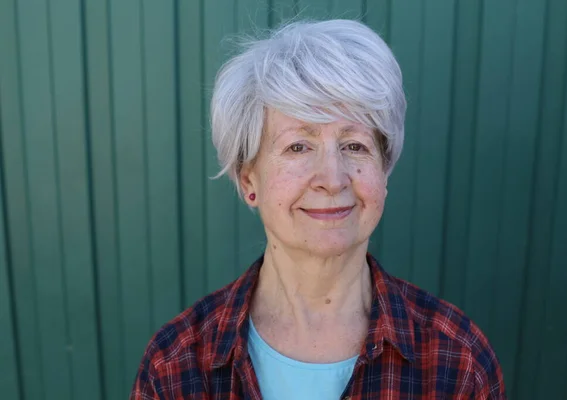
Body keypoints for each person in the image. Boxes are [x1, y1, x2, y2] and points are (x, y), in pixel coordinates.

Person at [130, 19, 506, 399]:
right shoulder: (177, 364)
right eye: (298, 146)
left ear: (384, 172)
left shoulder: (456, 360)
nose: (333, 177)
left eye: (355, 145)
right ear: (248, 181)